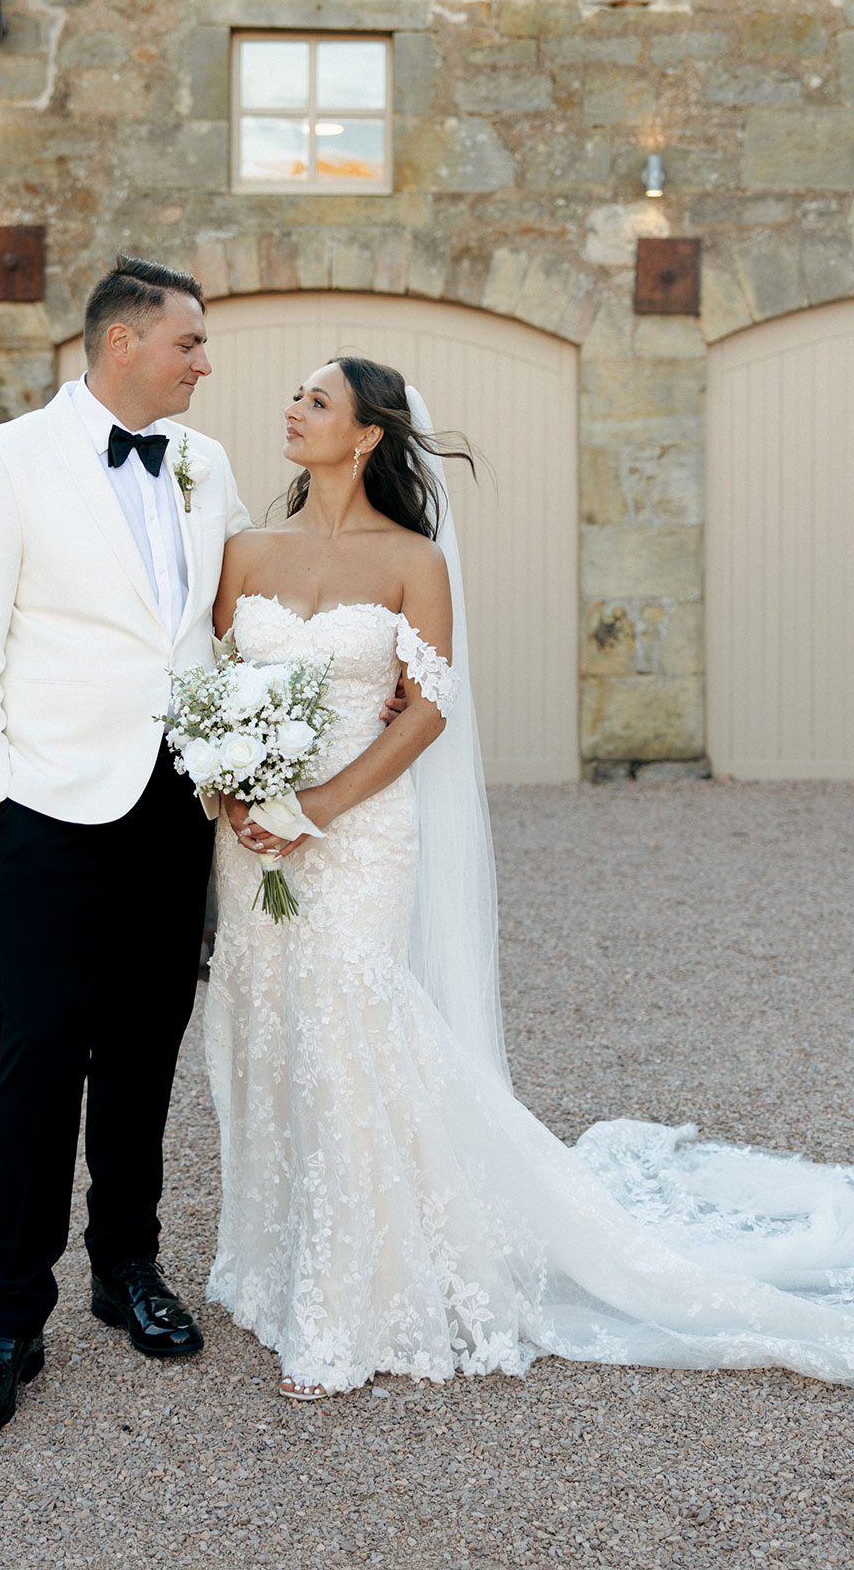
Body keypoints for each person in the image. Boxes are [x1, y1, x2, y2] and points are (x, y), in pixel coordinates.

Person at [206, 353, 854, 1401]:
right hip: (249, 840)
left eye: (315, 400)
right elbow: (213, 688)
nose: (291, 409)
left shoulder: (414, 558)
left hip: (360, 830)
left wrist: (318, 807)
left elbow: (425, 707)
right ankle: (272, 1255)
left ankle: (350, 1297)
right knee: (264, 1021)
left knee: (347, 1023)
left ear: (368, 434)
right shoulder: (245, 549)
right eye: (294, 393)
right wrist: (232, 795)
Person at [0, 253, 251, 1436]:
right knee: (40, 1053)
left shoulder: (204, 467)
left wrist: (242, 760)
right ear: (123, 343)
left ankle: (127, 1268)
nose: (205, 364)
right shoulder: (4, 462)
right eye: (190, 344)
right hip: (48, 812)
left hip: (178, 803)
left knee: (146, 1047)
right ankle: (8, 1315)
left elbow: (215, 626)